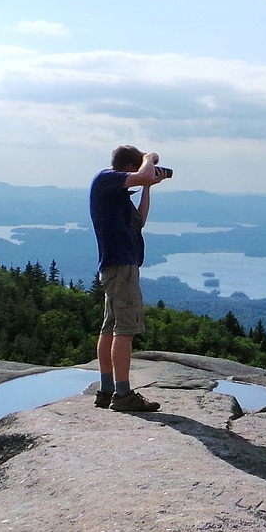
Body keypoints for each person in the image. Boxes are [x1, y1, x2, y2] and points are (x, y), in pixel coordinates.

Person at [90, 145, 168, 412]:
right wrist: (150, 159)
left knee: (111, 326)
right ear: (129, 168)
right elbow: (143, 174)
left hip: (119, 266)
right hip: (121, 267)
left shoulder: (117, 196)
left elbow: (140, 221)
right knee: (125, 328)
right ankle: (122, 395)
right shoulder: (105, 178)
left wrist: (147, 188)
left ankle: (106, 390)